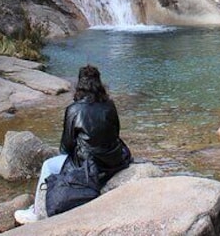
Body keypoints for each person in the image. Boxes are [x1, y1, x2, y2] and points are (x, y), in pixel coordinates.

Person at [14, 65, 132, 224]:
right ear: (99, 84)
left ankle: (37, 212)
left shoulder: (73, 109)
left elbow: (66, 146)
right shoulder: (110, 105)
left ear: (80, 85)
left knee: (48, 166)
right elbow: (116, 133)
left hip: (89, 165)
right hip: (113, 161)